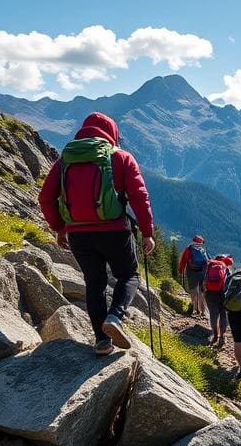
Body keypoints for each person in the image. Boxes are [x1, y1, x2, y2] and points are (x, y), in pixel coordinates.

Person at [38, 112, 155, 356]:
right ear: (111, 133)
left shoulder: (64, 161)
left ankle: (102, 341)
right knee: (128, 276)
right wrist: (147, 232)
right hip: (114, 231)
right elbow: (139, 197)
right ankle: (115, 317)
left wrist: (60, 228)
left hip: (79, 235)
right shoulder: (121, 157)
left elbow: (46, 198)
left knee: (94, 284)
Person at [205, 253, 233, 348]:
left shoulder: (209, 267)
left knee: (213, 315)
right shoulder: (227, 270)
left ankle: (215, 335)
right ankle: (222, 336)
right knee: (223, 315)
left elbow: (204, 280)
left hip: (210, 294)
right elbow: (230, 285)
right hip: (223, 295)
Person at [177, 235, 209, 317]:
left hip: (191, 271)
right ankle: (202, 310)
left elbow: (184, 260)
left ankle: (194, 308)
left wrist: (181, 271)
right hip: (202, 271)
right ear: (201, 242)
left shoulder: (189, 248)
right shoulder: (203, 249)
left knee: (193, 289)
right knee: (202, 290)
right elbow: (207, 261)